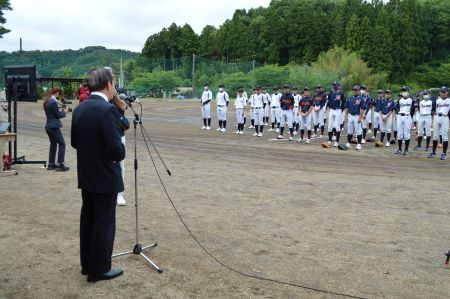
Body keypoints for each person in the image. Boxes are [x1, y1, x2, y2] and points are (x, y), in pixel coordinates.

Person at [71, 67, 127, 282]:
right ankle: (100, 269)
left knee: (88, 221)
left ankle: (87, 265)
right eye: (113, 81)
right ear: (109, 84)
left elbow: (76, 142)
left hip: (87, 174)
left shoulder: (80, 109)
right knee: (104, 224)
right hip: (105, 177)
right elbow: (117, 150)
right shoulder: (107, 110)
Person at [43, 86, 69, 171]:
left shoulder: (47, 101)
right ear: (57, 92)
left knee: (53, 144)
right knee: (62, 144)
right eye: (59, 93)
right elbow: (58, 115)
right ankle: (60, 164)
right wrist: (65, 112)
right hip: (54, 126)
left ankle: (51, 164)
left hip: (48, 125)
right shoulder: (53, 102)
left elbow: (52, 113)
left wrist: (60, 110)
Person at [428, 86, 449, 160]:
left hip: (445, 117)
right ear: (439, 92)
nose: (443, 93)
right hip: (437, 117)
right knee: (435, 136)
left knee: (445, 136)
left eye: (444, 92)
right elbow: (433, 110)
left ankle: (444, 154)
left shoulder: (449, 100)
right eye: (441, 92)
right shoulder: (437, 100)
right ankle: (433, 153)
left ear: (447, 92)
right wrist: (432, 119)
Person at [344, 86, 366, 150]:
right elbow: (346, 107)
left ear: (359, 91)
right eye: (354, 90)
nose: (355, 91)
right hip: (350, 115)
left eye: (356, 90)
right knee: (349, 130)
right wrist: (346, 116)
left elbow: (362, 109)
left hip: (357, 116)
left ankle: (359, 144)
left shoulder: (361, 99)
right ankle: (348, 143)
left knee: (358, 131)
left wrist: (360, 117)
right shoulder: (350, 98)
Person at [395, 86, 413, 155]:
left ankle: (406, 149)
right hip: (400, 116)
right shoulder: (400, 99)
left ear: (408, 91)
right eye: (403, 91)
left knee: (406, 134)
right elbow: (396, 107)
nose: (404, 92)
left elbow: (413, 109)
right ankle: (399, 149)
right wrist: (397, 113)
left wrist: (410, 115)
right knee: (399, 133)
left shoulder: (411, 99)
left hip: (407, 117)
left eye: (405, 91)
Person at [327, 81, 345, 147]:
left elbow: (344, 103)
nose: (335, 86)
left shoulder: (341, 94)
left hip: (338, 110)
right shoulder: (331, 93)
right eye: (334, 85)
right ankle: (329, 140)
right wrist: (329, 108)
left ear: (339, 86)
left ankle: (337, 141)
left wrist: (341, 110)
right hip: (332, 110)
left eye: (336, 85)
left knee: (337, 126)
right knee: (330, 126)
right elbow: (329, 101)